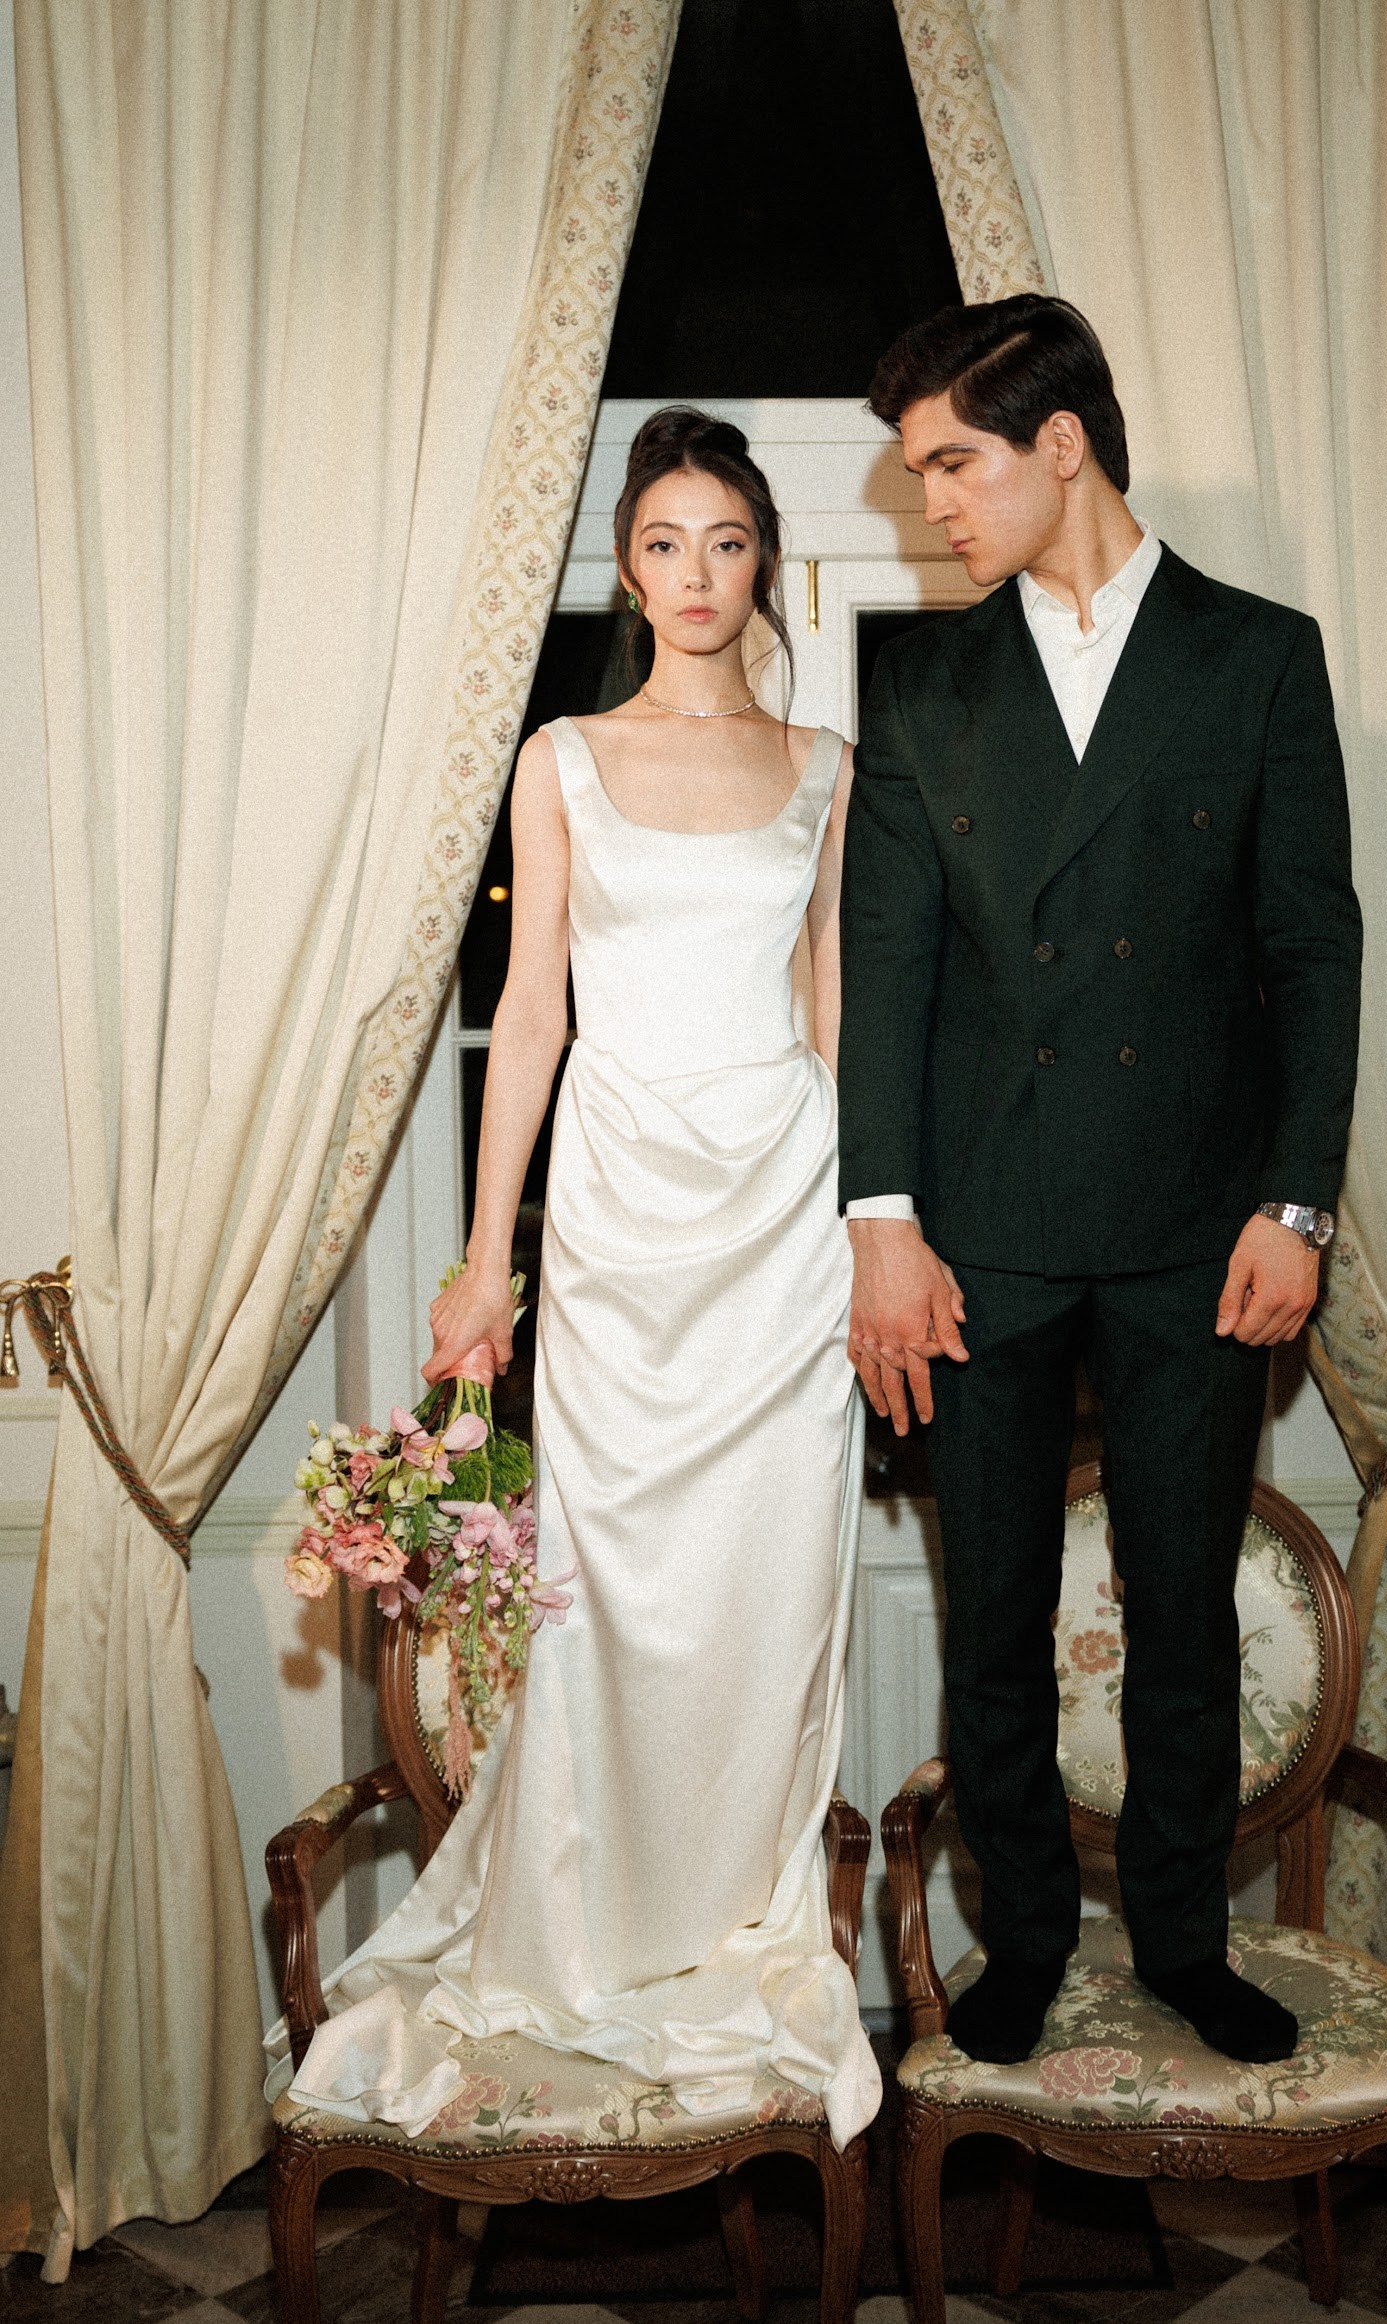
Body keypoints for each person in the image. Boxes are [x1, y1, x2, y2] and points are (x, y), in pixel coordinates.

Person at [278, 407, 879, 2150]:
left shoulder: (829, 767)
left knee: (768, 1587)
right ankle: (591, 1924)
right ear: (628, 567)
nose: (698, 575)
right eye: (667, 543)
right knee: (610, 1590)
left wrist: (868, 1231)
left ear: (764, 566)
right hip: (620, 1224)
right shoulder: (561, 759)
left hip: (783, 1220)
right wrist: (490, 1262)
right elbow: (530, 1010)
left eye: (730, 543)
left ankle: (737, 1923)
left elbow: (834, 1011)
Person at [839, 295, 1362, 2069]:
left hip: (1198, 1231)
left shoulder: (1257, 656)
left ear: (1060, 444)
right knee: (991, 1615)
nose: (931, 506)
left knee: (1183, 1615)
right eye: (917, 474)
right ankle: (1025, 1944)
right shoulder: (923, 685)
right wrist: (884, 1225)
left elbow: (1314, 949)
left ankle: (1188, 1945)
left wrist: (1296, 1204)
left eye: (952, 464)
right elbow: (889, 972)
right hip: (977, 1236)